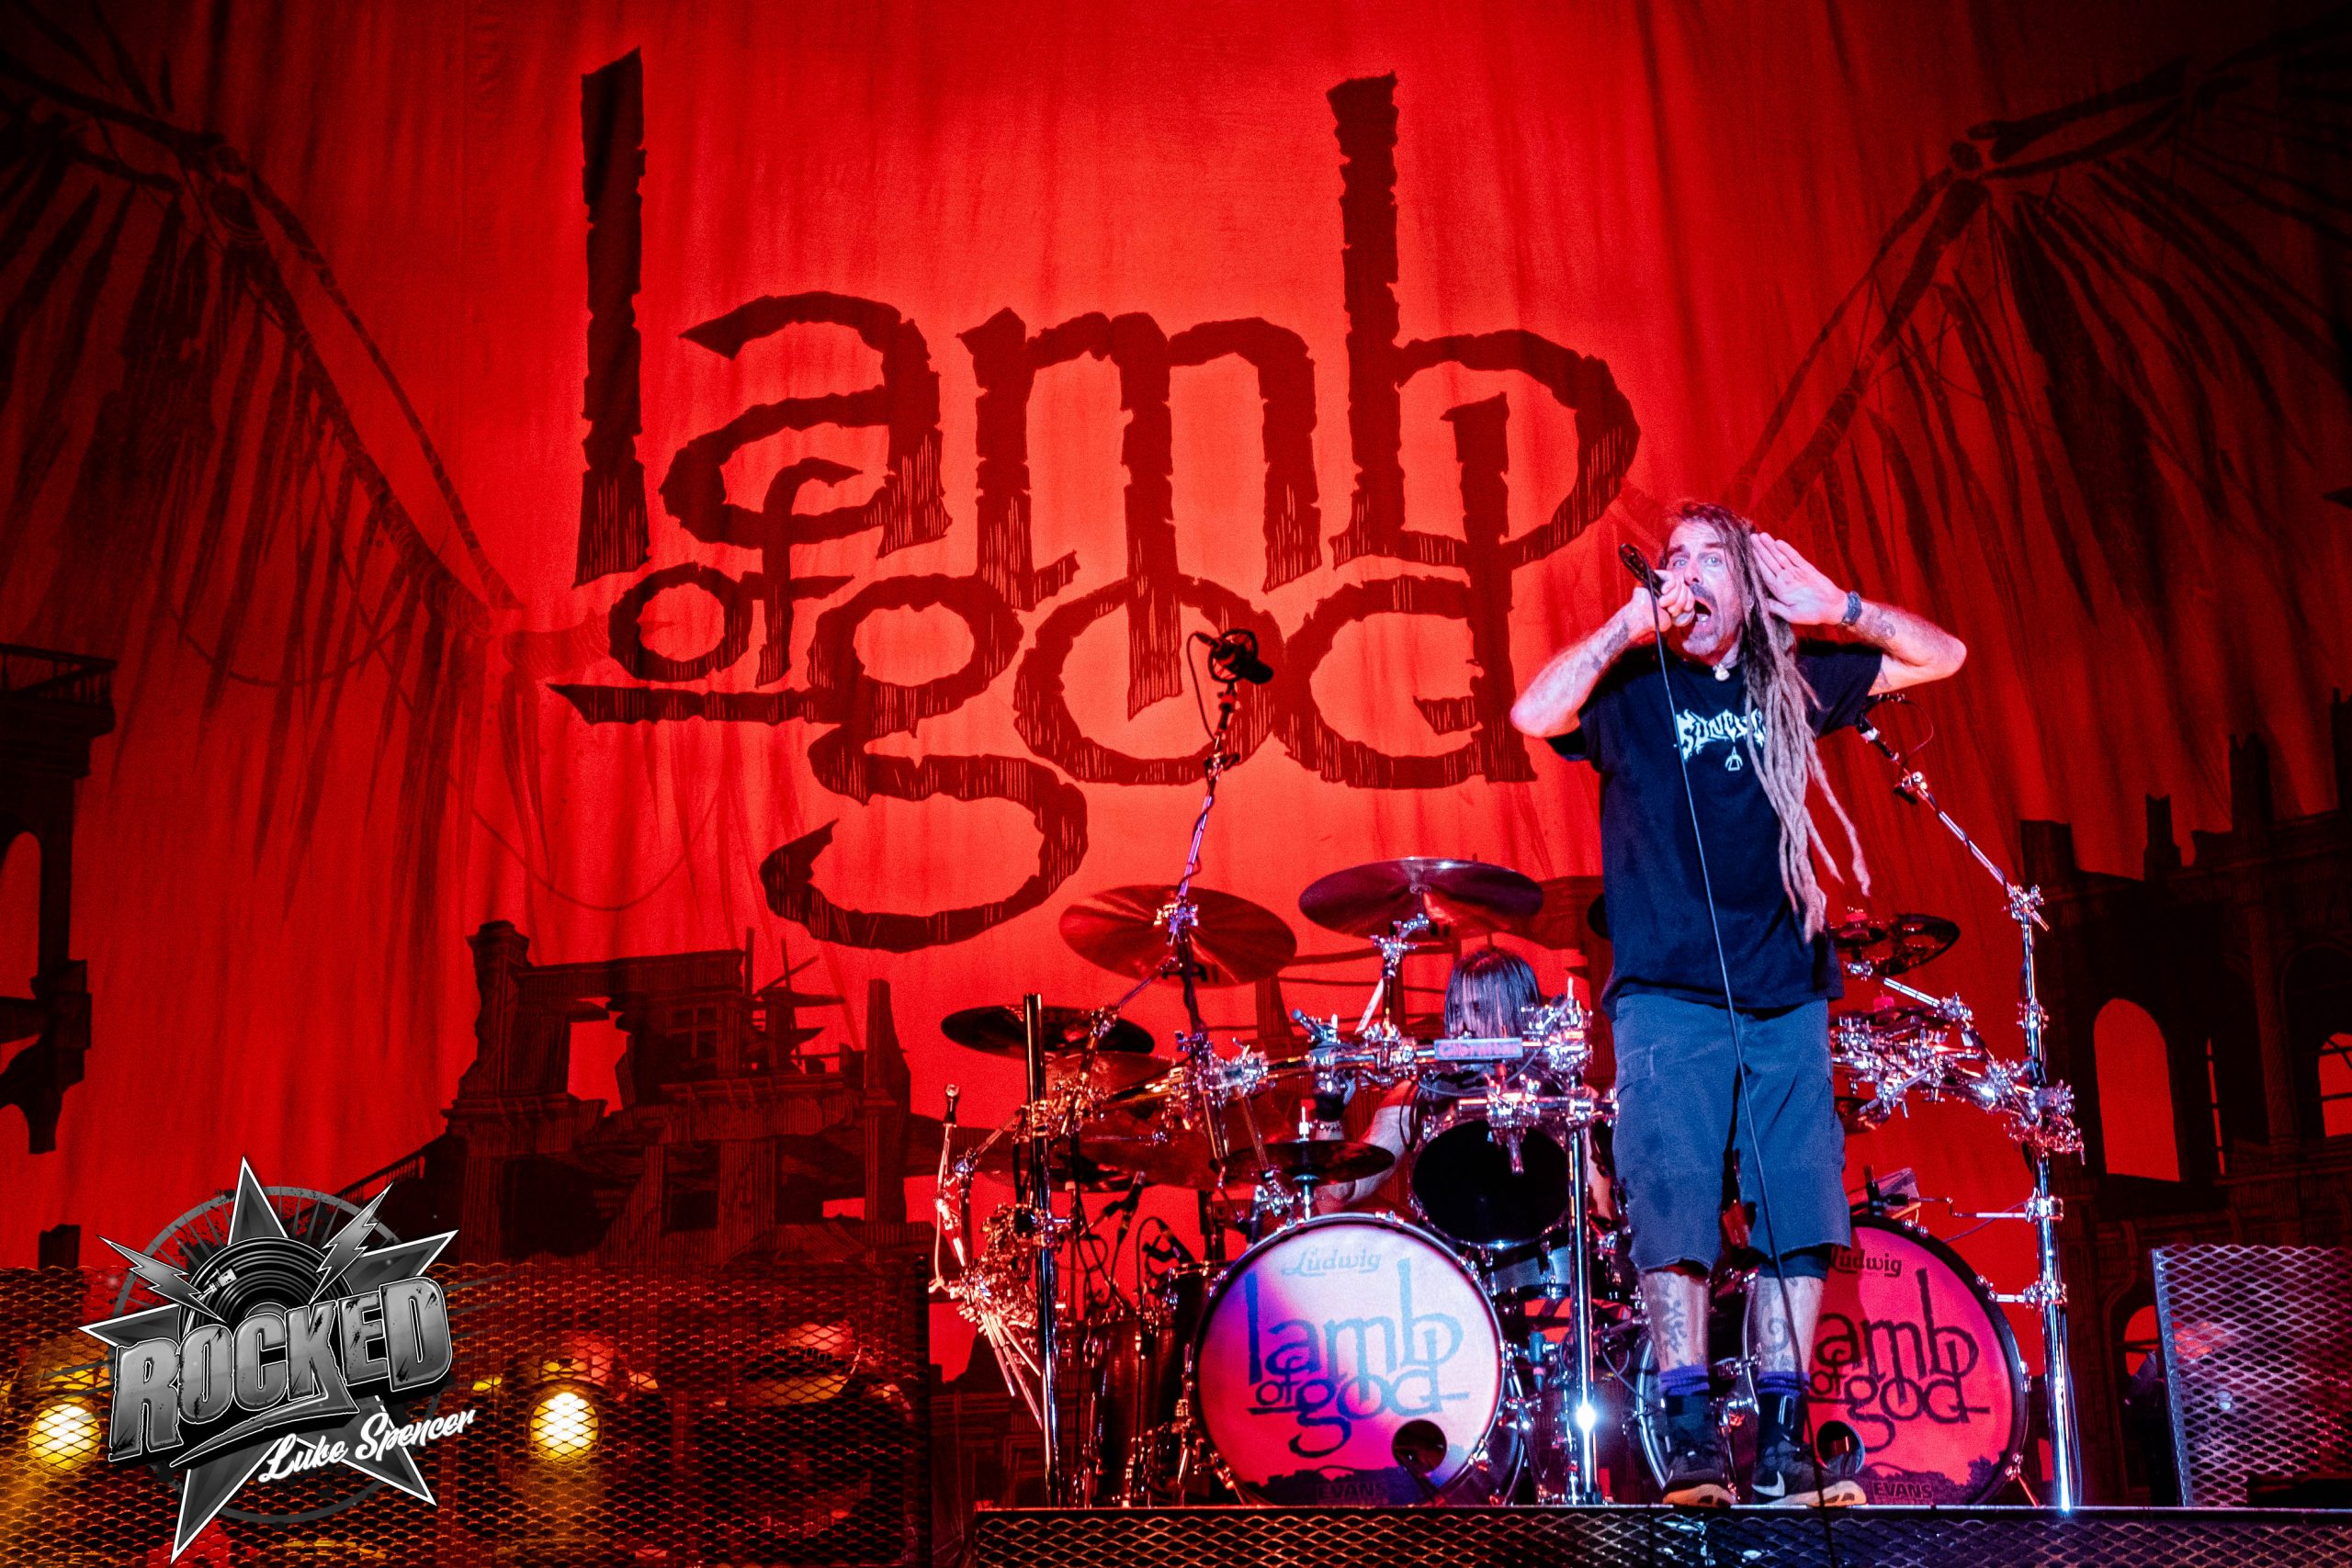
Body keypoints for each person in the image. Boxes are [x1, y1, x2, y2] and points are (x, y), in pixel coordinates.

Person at [1509, 502, 1966, 1507]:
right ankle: (1686, 1428)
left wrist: (1840, 606)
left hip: (1786, 986)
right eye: (1675, 558)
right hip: (1665, 993)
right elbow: (1533, 714)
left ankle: (1785, 1438)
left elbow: (1946, 655)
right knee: (1672, 1200)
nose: (1688, 573)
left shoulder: (1792, 677)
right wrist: (1626, 626)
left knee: (1798, 1208)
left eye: (1713, 558)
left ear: (1750, 588)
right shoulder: (1631, 687)